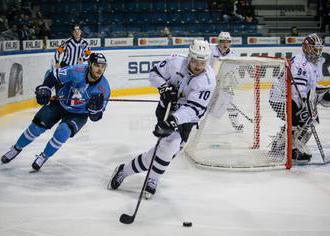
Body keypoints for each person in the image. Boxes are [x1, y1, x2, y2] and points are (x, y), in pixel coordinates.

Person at [108, 40, 216, 198]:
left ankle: (124, 170)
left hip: (186, 117)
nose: (198, 66)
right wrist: (164, 87)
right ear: (189, 57)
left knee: (166, 152)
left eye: (202, 62)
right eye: (195, 61)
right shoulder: (175, 62)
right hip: (166, 109)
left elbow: (194, 109)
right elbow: (154, 73)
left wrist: (174, 120)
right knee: (168, 147)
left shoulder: (207, 80)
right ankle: (152, 180)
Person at [1, 53, 110, 171]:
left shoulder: (104, 88)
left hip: (79, 114)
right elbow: (54, 75)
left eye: (103, 66)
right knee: (36, 127)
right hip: (59, 103)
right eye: (96, 65)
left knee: (63, 131)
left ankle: (44, 156)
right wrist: (46, 87)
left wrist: (95, 109)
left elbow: (95, 118)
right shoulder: (76, 70)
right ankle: (16, 148)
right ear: (89, 64)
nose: (100, 69)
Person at [269, 33, 324, 164]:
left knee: (308, 119)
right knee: (304, 119)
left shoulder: (311, 63)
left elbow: (311, 88)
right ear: (306, 48)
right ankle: (291, 148)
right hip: (281, 98)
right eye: (314, 48)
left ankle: (280, 143)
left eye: (319, 48)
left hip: (287, 97)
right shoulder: (301, 62)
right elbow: (295, 91)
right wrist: (304, 110)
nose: (317, 51)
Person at [209, 32, 243, 130]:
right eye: (223, 42)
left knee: (231, 102)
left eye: (227, 42)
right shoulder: (211, 50)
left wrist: (230, 81)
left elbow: (234, 71)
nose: (225, 44)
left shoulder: (233, 55)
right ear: (218, 42)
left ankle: (235, 123)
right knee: (207, 102)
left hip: (225, 82)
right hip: (211, 81)